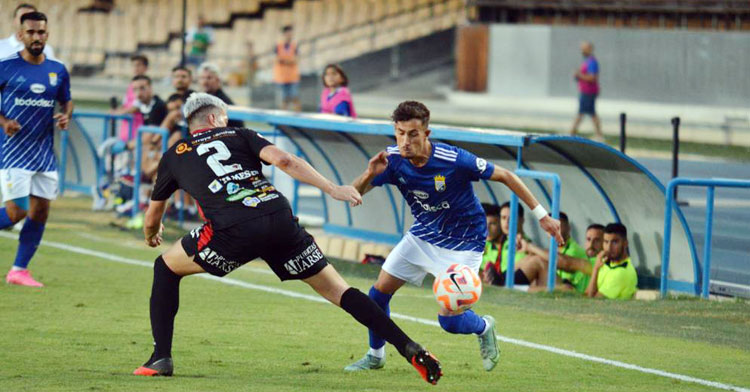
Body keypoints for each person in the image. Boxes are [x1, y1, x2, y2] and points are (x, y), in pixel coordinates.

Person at [132, 93, 442, 385]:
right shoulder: (241, 136)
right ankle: (408, 346)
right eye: (225, 118)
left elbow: (153, 213)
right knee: (339, 291)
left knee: (165, 267)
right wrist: (334, 189)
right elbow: (285, 161)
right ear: (214, 118)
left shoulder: (175, 154)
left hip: (232, 228)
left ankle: (160, 358)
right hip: (279, 217)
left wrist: (151, 235)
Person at [347, 101, 563, 372]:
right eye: (400, 133)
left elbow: (507, 176)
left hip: (465, 242)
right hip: (424, 234)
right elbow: (353, 195)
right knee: (376, 295)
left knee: (449, 321)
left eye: (412, 134)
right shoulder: (391, 160)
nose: (405, 141)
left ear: (426, 134)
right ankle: (375, 355)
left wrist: (542, 215)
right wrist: (369, 174)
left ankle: (484, 326)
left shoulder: (454, 160)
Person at [0, 12, 72, 287]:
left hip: (44, 153)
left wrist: (66, 116)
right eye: (31, 32)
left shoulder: (57, 69)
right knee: (16, 212)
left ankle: (19, 270)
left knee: (40, 211)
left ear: (47, 34)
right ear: (20, 35)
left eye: (41, 32)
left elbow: (67, 101)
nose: (37, 37)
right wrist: (4, 121)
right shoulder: (5, 67)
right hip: (14, 151)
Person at [520, 217, 604, 294]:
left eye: (597, 240)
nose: (591, 244)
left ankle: (516, 288)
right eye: (588, 239)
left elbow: (566, 263)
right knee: (538, 262)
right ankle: (515, 286)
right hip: (571, 289)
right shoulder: (586, 257)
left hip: (576, 296)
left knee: (539, 262)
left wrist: (529, 247)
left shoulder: (599, 261)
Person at [483, 202, 549, 289]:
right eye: (503, 218)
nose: (507, 222)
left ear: (522, 220)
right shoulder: (491, 244)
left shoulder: (526, 246)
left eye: (492, 223)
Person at [586, 223, 638, 299]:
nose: (609, 248)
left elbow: (594, 301)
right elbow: (587, 293)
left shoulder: (622, 272)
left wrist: (595, 269)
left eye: (614, 242)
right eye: (606, 242)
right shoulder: (605, 263)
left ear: (625, 243)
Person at [570, 41, 603, 141]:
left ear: (589, 49)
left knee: (583, 113)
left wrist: (579, 75)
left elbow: (593, 77)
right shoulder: (587, 61)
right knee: (590, 113)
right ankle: (599, 134)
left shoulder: (592, 62)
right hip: (585, 90)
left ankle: (572, 133)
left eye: (584, 48)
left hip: (589, 91)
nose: (582, 51)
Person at [197, 62, 243, 128]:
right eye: (202, 78)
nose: (205, 82)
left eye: (209, 78)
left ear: (218, 80)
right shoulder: (201, 99)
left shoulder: (222, 102)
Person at [116, 54, 149, 143]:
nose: (135, 68)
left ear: (145, 68)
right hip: (126, 130)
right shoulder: (131, 86)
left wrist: (117, 113)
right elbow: (125, 104)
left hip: (137, 130)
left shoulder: (146, 86)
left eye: (138, 65)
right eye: (133, 65)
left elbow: (137, 106)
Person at [273, 25, 301, 112]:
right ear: (284, 34)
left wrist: (284, 61)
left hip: (293, 77)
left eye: (291, 33)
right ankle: (284, 120)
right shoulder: (278, 46)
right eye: (288, 33)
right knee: (284, 99)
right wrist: (289, 61)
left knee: (295, 97)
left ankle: (299, 119)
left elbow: (296, 60)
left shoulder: (295, 46)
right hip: (281, 77)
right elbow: (277, 59)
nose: (290, 35)